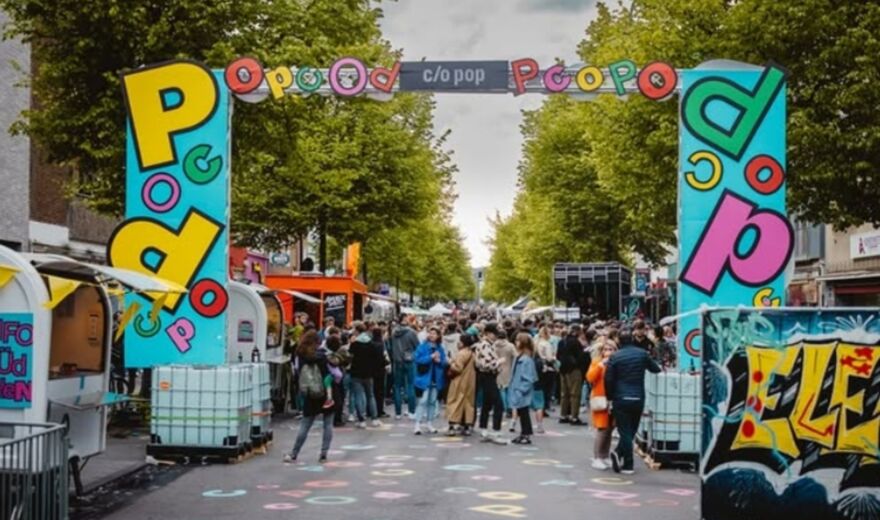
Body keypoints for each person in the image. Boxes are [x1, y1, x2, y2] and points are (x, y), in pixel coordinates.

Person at [604, 329, 662, 475]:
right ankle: (618, 454)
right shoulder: (642, 354)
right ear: (633, 338)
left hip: (620, 397)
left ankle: (628, 464)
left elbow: (608, 379)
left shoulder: (615, 357)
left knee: (624, 431)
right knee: (632, 430)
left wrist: (609, 397)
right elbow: (656, 369)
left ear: (619, 341)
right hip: (638, 396)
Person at [285, 330, 341, 463]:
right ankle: (323, 454)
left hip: (310, 393)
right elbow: (338, 375)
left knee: (305, 425)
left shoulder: (301, 355)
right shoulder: (324, 356)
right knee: (328, 425)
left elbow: (298, 372)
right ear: (317, 342)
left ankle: (294, 453)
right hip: (327, 393)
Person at [586, 337, 616, 470]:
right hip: (600, 398)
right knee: (602, 428)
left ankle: (605, 455)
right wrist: (600, 365)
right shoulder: (597, 362)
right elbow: (590, 377)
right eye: (605, 349)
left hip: (613, 398)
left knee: (610, 428)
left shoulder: (616, 362)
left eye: (611, 349)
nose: (608, 352)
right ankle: (597, 457)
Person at [475, 324, 506, 445]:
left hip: (486, 376)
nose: (495, 336)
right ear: (487, 333)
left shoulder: (485, 344)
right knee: (498, 405)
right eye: (493, 333)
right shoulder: (485, 345)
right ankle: (495, 431)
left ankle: (484, 430)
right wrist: (499, 362)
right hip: (488, 375)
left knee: (487, 404)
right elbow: (486, 364)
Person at [413, 327, 447, 435]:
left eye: (434, 334)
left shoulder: (440, 348)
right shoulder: (422, 346)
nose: (432, 335)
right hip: (425, 378)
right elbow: (417, 359)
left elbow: (444, 363)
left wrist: (439, 360)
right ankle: (417, 424)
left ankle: (429, 423)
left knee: (432, 402)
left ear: (438, 336)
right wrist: (430, 357)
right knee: (423, 401)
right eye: (430, 333)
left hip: (436, 378)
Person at [349, 322, 382, 428]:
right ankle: (374, 418)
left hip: (356, 372)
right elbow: (376, 358)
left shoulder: (355, 344)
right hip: (368, 373)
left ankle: (361, 420)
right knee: (370, 395)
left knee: (358, 395)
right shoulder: (371, 344)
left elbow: (350, 356)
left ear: (357, 331)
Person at [508, 333, 538, 445]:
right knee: (521, 412)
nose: (516, 342)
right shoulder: (519, 357)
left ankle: (526, 434)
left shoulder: (526, 360)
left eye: (518, 340)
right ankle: (523, 433)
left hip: (521, 390)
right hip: (516, 388)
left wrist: (521, 390)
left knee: (524, 412)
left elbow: (529, 378)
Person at [445, 334, 477, 436]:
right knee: (468, 403)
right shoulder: (472, 353)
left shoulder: (461, 354)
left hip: (459, 381)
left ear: (462, 343)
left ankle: (452, 425)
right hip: (470, 381)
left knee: (454, 401)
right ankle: (467, 425)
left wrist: (450, 362)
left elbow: (458, 368)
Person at [557, 324, 587, 425]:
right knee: (575, 394)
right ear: (577, 331)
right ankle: (574, 417)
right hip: (574, 369)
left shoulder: (562, 341)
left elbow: (558, 355)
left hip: (563, 369)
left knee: (564, 393)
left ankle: (563, 415)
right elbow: (581, 357)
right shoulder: (576, 342)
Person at [390, 317, 420, 419]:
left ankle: (398, 413)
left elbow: (390, 347)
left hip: (397, 361)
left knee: (397, 387)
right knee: (411, 385)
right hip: (410, 360)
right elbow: (417, 346)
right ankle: (412, 411)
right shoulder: (412, 332)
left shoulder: (393, 332)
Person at [535, 326, 558, 417]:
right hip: (547, 368)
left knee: (541, 387)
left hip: (539, 366)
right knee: (547, 389)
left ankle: (539, 406)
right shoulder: (546, 344)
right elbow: (549, 358)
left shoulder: (537, 342)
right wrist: (554, 358)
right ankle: (544, 407)